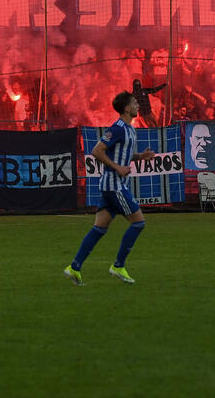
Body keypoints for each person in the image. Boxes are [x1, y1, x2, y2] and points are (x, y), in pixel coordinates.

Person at [63, 92, 156, 286]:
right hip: (114, 185)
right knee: (138, 223)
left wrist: (140, 157)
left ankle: (74, 267)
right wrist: (117, 168)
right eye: (135, 103)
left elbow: (122, 155)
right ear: (127, 108)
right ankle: (118, 266)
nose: (138, 105)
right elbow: (97, 151)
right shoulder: (117, 128)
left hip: (112, 185)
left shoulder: (130, 130)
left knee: (99, 229)